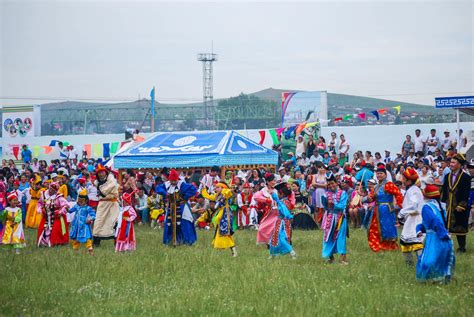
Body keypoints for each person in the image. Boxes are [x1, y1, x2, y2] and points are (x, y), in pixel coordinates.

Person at [416, 184, 455, 283]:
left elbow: (434, 222)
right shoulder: (440, 206)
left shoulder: (427, 207)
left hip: (435, 237)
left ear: (426, 196)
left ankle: (429, 280)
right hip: (441, 236)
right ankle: (442, 278)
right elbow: (431, 223)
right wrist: (420, 229)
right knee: (440, 259)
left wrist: (443, 235)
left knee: (428, 261)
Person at [156, 169, 198, 246]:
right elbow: (158, 188)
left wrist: (184, 197)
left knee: (184, 223)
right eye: (172, 181)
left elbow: (193, 189)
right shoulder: (167, 184)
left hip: (182, 207)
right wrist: (165, 193)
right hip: (170, 207)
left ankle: (187, 241)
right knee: (169, 223)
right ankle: (169, 241)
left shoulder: (182, 185)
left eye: (175, 181)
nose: (173, 182)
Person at [367, 166, 403, 252]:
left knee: (387, 228)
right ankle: (377, 246)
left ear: (385, 175)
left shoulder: (389, 184)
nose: (379, 175)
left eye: (381, 173)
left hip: (387, 210)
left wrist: (398, 206)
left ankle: (389, 247)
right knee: (373, 228)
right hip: (376, 210)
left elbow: (398, 194)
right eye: (378, 173)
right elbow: (372, 196)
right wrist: (369, 198)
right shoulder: (376, 186)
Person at [441, 153, 471, 253]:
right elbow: (444, 190)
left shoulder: (466, 177)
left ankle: (462, 247)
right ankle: (446, 247)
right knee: (446, 226)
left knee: (460, 226)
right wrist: (442, 202)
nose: (451, 164)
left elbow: (466, 193)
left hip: (459, 206)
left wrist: (461, 205)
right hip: (448, 205)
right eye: (451, 162)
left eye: (454, 162)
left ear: (459, 165)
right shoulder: (447, 176)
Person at [201, 181, 237, 257]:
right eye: (216, 187)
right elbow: (207, 196)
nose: (216, 188)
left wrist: (227, 190)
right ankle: (223, 251)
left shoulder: (225, 193)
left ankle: (233, 250)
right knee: (220, 232)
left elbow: (228, 191)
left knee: (224, 232)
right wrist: (204, 187)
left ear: (222, 187)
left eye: (218, 187)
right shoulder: (217, 195)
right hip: (220, 214)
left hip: (225, 214)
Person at [398, 168, 424, 265]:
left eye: (404, 178)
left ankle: (421, 263)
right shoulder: (411, 189)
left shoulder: (414, 190)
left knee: (416, 242)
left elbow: (413, 205)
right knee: (405, 242)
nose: (402, 180)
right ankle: (409, 264)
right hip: (410, 219)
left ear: (409, 181)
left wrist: (402, 213)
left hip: (416, 219)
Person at [321, 175, 349, 264]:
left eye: (332, 183)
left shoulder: (343, 193)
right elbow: (325, 206)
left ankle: (343, 259)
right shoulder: (325, 194)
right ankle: (331, 258)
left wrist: (333, 204)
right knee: (327, 237)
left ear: (336, 183)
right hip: (329, 218)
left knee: (341, 238)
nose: (330, 186)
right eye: (328, 184)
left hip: (340, 218)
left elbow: (342, 206)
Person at [93, 164, 120, 246]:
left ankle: (117, 241)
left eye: (102, 172)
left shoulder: (111, 179)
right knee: (99, 222)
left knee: (114, 221)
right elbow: (103, 192)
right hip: (102, 204)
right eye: (99, 172)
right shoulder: (96, 182)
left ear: (105, 172)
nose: (101, 174)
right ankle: (96, 242)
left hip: (113, 203)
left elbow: (108, 188)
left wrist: (104, 192)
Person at [37, 182, 70, 247]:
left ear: (56, 191)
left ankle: (56, 242)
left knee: (56, 229)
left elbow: (66, 206)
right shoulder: (43, 194)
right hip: (46, 216)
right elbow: (40, 203)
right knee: (42, 228)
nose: (51, 191)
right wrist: (41, 209)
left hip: (56, 217)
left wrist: (60, 212)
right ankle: (43, 242)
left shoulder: (59, 197)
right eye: (50, 189)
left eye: (53, 190)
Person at [269, 182, 296, 259]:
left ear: (282, 194)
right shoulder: (283, 201)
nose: (277, 194)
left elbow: (284, 211)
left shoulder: (285, 202)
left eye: (278, 193)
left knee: (281, 238)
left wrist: (275, 198)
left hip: (284, 223)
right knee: (274, 237)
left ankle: (292, 252)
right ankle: (274, 253)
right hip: (279, 222)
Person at [68, 189, 96, 255]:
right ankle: (75, 251)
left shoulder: (88, 208)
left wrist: (90, 220)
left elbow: (94, 215)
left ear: (86, 201)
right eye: (79, 200)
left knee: (87, 238)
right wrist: (66, 209)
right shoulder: (76, 206)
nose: (80, 202)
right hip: (76, 226)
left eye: (82, 201)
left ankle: (91, 251)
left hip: (84, 225)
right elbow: (70, 211)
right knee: (76, 238)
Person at [255, 173, 278, 245]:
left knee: (275, 228)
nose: (274, 182)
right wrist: (266, 200)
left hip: (277, 211)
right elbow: (256, 197)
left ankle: (274, 243)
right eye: (272, 181)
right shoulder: (263, 190)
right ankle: (267, 242)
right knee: (262, 229)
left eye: (275, 181)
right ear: (268, 182)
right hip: (268, 212)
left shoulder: (276, 190)